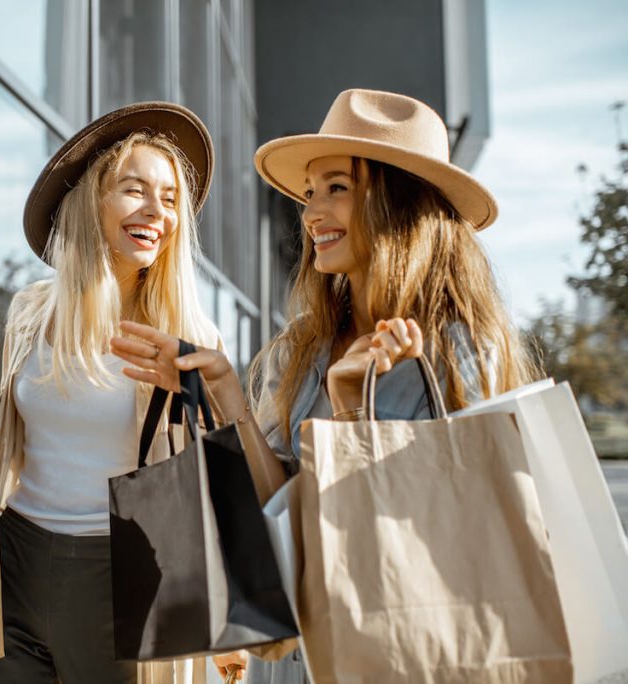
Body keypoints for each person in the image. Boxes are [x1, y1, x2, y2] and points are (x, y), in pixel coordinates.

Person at [110, 89, 539, 682]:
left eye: (336, 188)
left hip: (404, 650)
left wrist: (350, 418)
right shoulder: (301, 347)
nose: (311, 213)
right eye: (309, 193)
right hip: (301, 652)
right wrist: (227, 396)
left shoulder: (459, 353)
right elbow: (276, 508)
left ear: (399, 203)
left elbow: (454, 527)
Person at [0, 102, 222, 684]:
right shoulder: (32, 310)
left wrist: (194, 390)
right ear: (93, 199)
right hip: (11, 558)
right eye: (134, 190)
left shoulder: (185, 334)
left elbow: (213, 472)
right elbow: (16, 435)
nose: (155, 211)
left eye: (169, 198)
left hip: (118, 578)